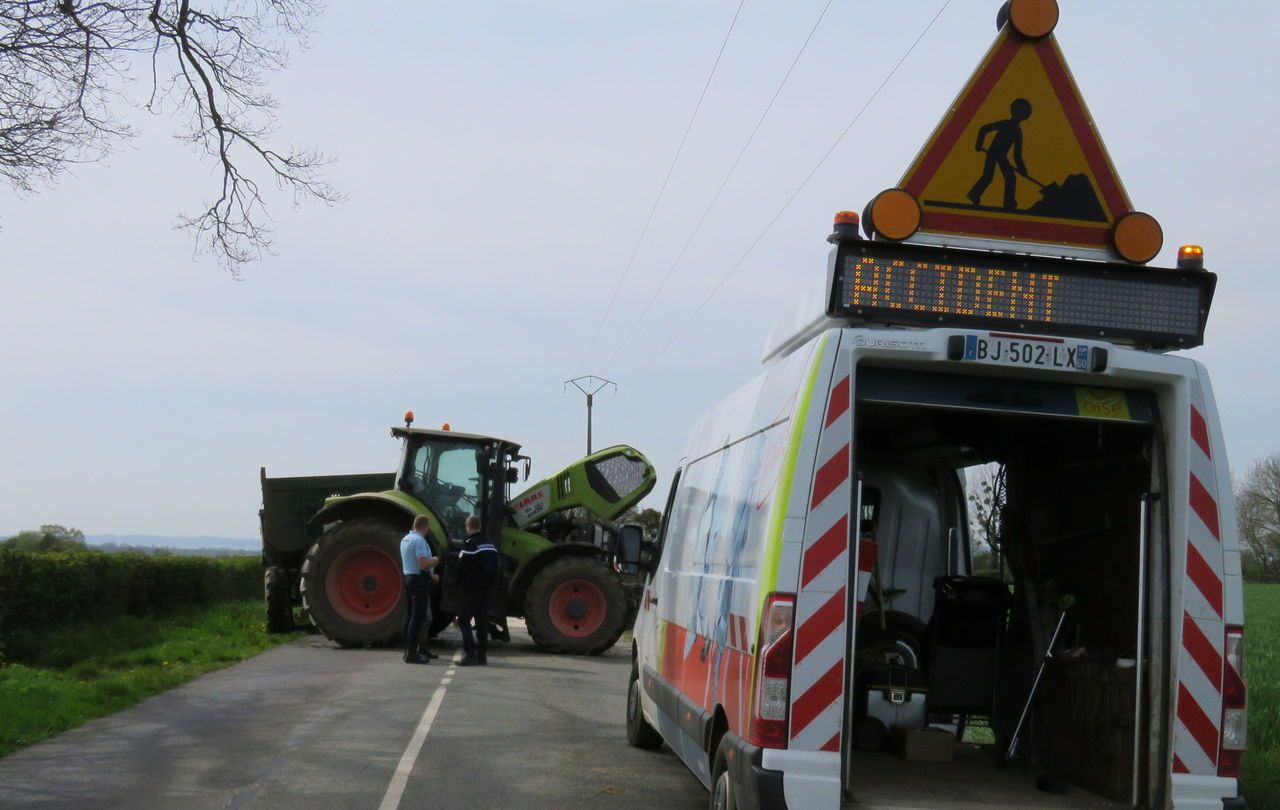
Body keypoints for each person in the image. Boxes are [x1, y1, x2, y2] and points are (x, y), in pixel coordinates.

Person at [967, 97, 1033, 210]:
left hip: (1001, 155)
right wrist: (978, 144)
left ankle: (1007, 202)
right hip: (993, 153)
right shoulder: (1006, 125)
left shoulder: (1017, 131)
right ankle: (975, 195)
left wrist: (1023, 170)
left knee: (1008, 177)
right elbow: (984, 129)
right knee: (990, 176)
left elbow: (1017, 155)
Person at [455, 515, 499, 666]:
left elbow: (461, 567)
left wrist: (458, 582)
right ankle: (482, 656)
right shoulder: (490, 545)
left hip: (471, 590)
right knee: (482, 622)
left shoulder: (470, 544)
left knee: (463, 620)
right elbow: (496, 567)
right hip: (487, 590)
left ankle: (470, 653)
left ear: (469, 527)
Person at [401, 515, 440, 665]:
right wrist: (435, 560)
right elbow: (423, 564)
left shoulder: (405, 539)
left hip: (408, 578)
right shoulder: (419, 541)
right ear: (426, 527)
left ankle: (410, 649)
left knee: (411, 615)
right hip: (418, 581)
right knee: (418, 617)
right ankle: (412, 653)